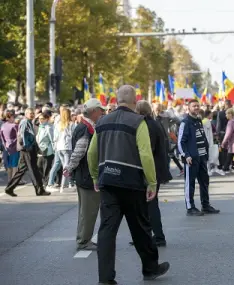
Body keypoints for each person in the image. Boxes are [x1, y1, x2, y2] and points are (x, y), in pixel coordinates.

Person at [87, 85, 169, 284]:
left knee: (107, 230)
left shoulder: (102, 121)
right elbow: (146, 154)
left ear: (116, 100)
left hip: (108, 182)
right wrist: (151, 182)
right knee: (140, 228)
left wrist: (95, 177)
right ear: (134, 101)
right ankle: (150, 268)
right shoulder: (138, 121)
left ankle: (105, 278)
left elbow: (91, 153)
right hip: (132, 183)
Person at [64, 98, 105, 251]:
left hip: (84, 175)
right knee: (88, 212)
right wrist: (69, 167)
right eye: (100, 110)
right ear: (93, 111)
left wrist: (70, 167)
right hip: (87, 176)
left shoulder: (85, 126)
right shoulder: (86, 129)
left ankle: (84, 239)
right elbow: (79, 152)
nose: (102, 112)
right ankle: (83, 241)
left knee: (86, 211)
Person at [136, 100, 172, 246]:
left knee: (149, 205)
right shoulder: (155, 123)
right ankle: (151, 235)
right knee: (149, 204)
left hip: (150, 169)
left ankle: (157, 236)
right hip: (158, 168)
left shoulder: (146, 126)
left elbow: (146, 150)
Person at [178, 99, 220, 216]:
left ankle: (205, 205)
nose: (196, 108)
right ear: (189, 108)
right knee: (190, 183)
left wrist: (206, 153)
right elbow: (181, 142)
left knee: (204, 182)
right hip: (191, 158)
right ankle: (190, 207)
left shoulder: (199, 121)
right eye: (193, 106)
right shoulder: (185, 122)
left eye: (197, 106)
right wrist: (186, 155)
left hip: (202, 157)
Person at [4, 108, 50, 197]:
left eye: (33, 113)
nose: (32, 114)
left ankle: (9, 188)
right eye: (30, 113)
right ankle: (39, 189)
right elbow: (22, 135)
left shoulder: (29, 122)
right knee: (34, 169)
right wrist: (27, 146)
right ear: (26, 114)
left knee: (21, 170)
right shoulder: (25, 122)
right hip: (27, 149)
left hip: (26, 149)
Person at [1, 110, 20, 184]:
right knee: (15, 165)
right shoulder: (15, 126)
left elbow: (2, 138)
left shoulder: (3, 125)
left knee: (9, 166)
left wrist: (4, 146)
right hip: (14, 147)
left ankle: (9, 180)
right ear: (12, 117)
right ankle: (14, 180)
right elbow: (19, 136)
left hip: (6, 147)